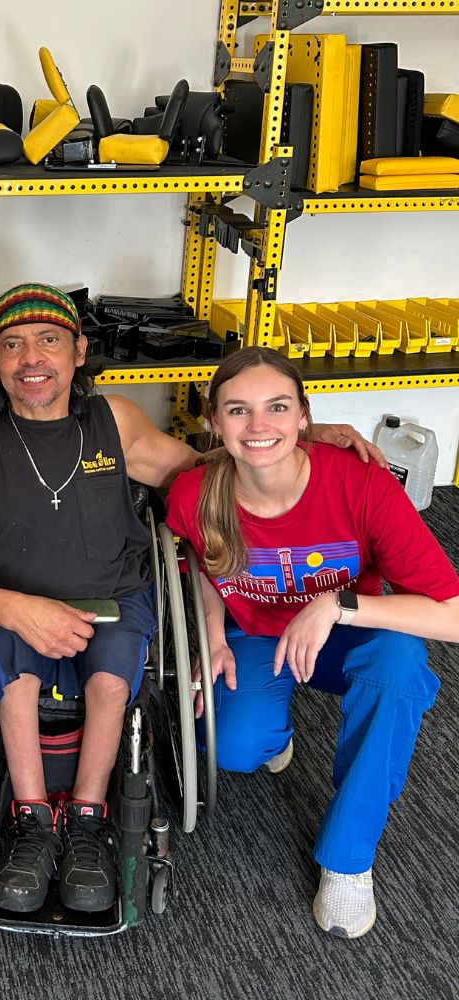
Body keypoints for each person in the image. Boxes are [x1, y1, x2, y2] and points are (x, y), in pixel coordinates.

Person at [0, 284, 380, 916]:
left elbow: (210, 469)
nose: (31, 358)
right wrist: (15, 609)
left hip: (115, 595)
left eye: (49, 340)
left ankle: (92, 823)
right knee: (14, 682)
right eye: (11, 345)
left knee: (108, 684)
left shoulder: (115, 420)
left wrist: (298, 439)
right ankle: (35, 823)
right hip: (9, 599)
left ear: (79, 352)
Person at [165, 346, 459, 939]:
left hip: (348, 635)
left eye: (277, 407)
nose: (259, 426)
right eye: (238, 410)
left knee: (400, 664)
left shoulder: (363, 483)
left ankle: (348, 860)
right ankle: (276, 730)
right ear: (215, 424)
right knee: (234, 749)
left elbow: (452, 614)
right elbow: (203, 563)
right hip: (256, 634)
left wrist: (338, 604)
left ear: (304, 415)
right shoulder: (196, 493)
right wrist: (213, 638)